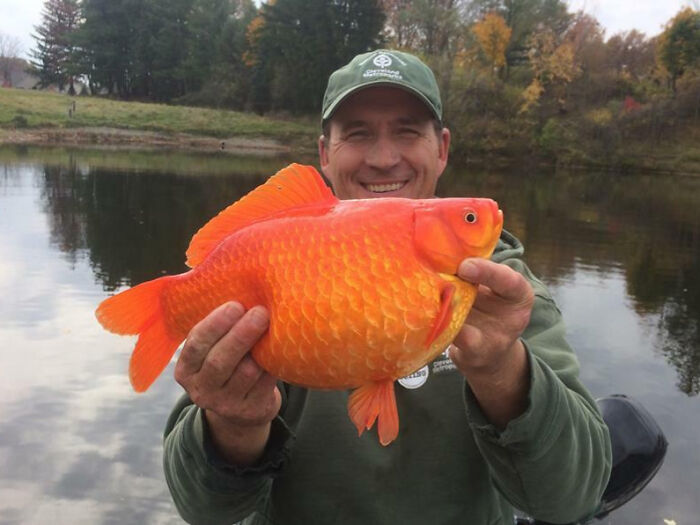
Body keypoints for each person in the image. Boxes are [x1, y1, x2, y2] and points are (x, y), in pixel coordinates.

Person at [163, 49, 612, 525]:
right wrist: (234, 425)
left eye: (407, 131)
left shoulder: (506, 293)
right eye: (357, 133)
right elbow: (205, 512)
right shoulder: (281, 258)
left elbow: (572, 499)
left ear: (441, 148)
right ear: (324, 154)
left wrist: (503, 371)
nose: (382, 158)